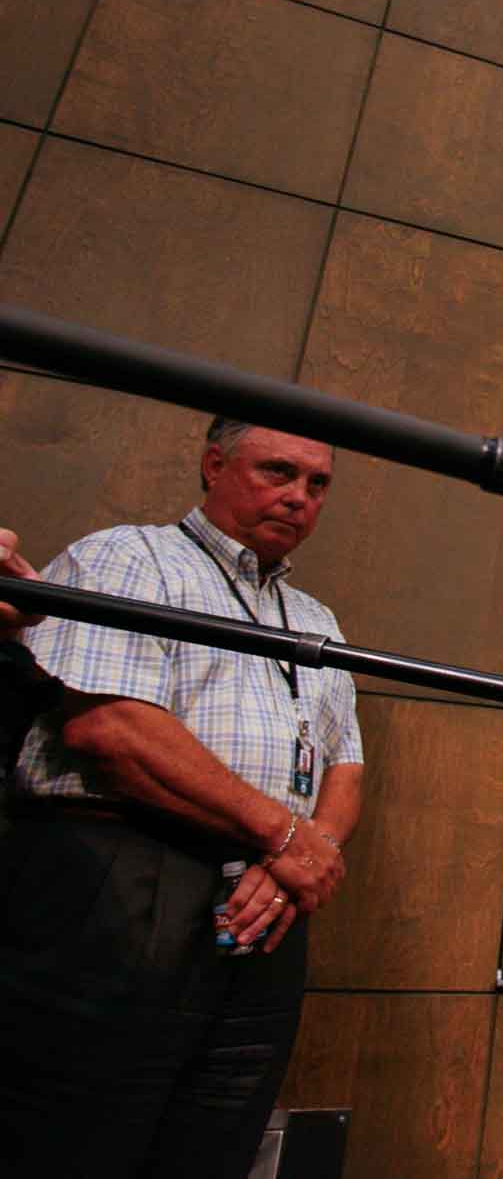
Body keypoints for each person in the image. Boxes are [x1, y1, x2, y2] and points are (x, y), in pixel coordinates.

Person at [0, 417, 364, 1179]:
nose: (299, 497)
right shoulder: (128, 558)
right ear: (213, 465)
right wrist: (283, 836)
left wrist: (301, 853)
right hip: (122, 880)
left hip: (268, 901)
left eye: (317, 483)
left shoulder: (319, 621)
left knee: (216, 1142)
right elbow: (110, 727)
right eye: (277, 472)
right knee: (78, 1135)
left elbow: (346, 768)